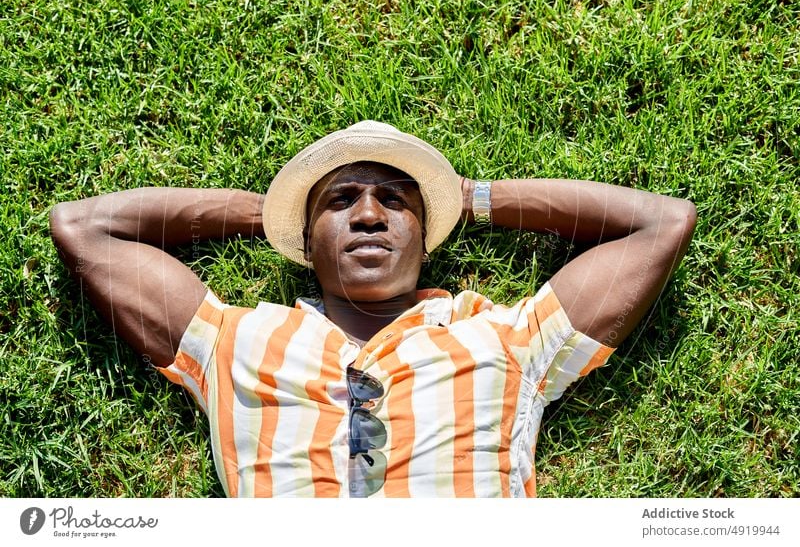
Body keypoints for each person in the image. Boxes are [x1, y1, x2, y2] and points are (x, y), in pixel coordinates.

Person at [49, 121, 696, 497]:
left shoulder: (505, 337)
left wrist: (468, 198)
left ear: (425, 231)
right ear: (308, 239)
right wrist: (275, 213)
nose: (366, 214)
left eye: (394, 200)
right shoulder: (235, 339)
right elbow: (83, 228)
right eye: (340, 201)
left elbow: (661, 225)